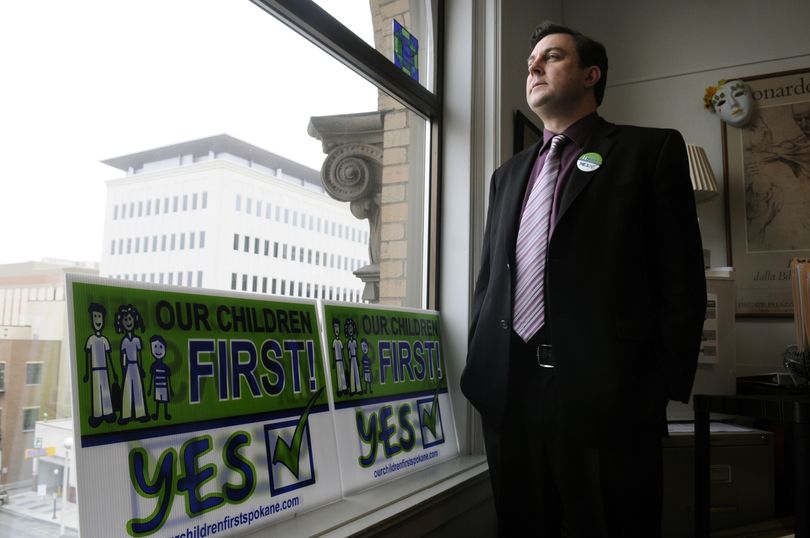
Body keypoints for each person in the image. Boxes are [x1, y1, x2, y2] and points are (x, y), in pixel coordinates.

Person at [460, 22, 707, 537]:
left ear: (592, 74)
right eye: (531, 62)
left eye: (551, 57)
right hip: (509, 390)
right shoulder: (507, 175)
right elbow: (490, 280)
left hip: (609, 396)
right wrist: (478, 365)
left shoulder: (650, 151)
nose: (533, 67)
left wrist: (656, 387)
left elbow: (681, 279)